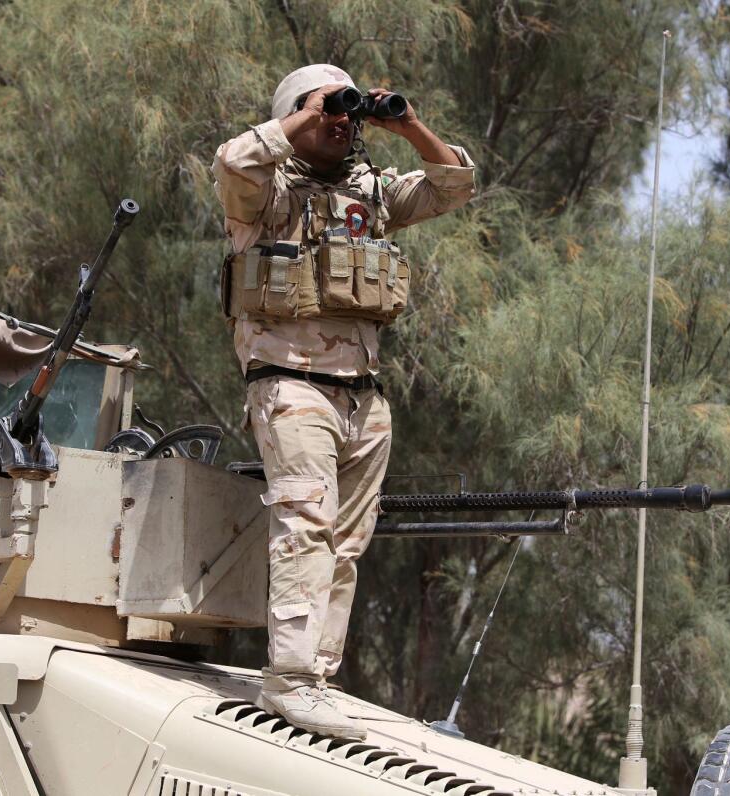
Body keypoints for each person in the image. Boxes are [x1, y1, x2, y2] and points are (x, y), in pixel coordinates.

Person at [212, 64, 475, 739]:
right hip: (292, 385)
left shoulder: (372, 193)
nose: (340, 120)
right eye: (326, 110)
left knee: (345, 546)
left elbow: (454, 184)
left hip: (365, 399)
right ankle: (291, 679)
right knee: (306, 527)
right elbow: (232, 158)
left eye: (348, 111)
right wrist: (309, 111)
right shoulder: (263, 195)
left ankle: (316, 680)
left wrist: (405, 123)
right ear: (292, 116)